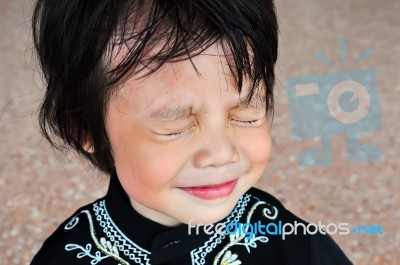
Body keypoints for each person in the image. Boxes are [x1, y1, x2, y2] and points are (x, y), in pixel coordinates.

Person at [30, 0, 353, 264]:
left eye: (245, 115)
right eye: (176, 126)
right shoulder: (67, 255)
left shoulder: (289, 241)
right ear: (85, 128)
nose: (222, 153)